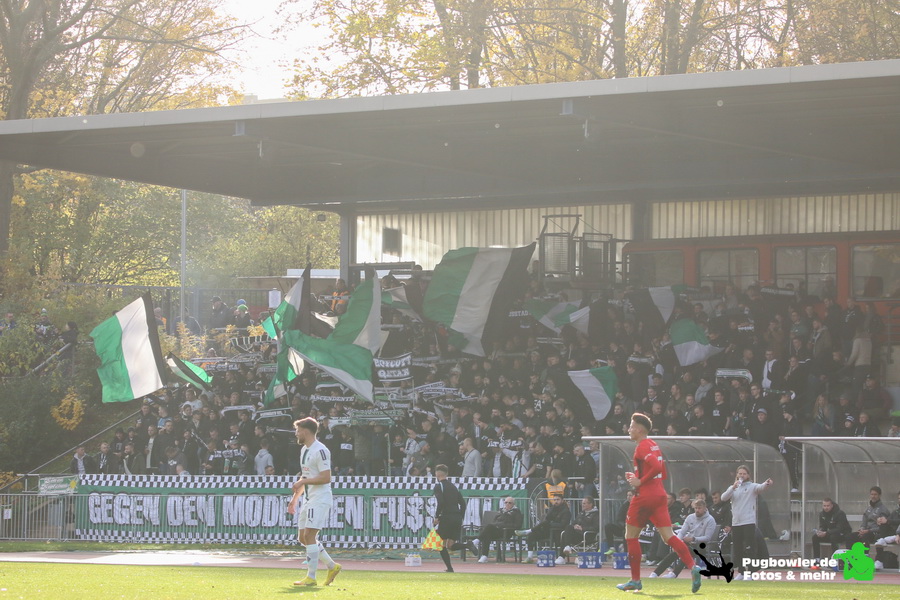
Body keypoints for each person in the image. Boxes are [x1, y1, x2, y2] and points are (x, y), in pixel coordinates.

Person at [616, 413, 702, 593]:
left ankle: (635, 580)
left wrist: (640, 482)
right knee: (669, 536)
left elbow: (655, 467)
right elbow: (660, 470)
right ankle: (693, 566)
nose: (629, 429)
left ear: (639, 429)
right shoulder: (653, 444)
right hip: (660, 495)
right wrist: (637, 476)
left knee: (631, 537)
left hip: (644, 497)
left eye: (631, 426)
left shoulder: (642, 446)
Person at [288, 417, 341, 587]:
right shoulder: (304, 450)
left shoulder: (321, 450)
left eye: (298, 430)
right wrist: (295, 499)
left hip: (320, 498)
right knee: (303, 538)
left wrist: (303, 482)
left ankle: (311, 577)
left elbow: (326, 477)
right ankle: (332, 566)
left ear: (305, 431)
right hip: (309, 499)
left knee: (310, 535)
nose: (296, 434)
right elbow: (306, 476)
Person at [720, 465, 774, 580]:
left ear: (748, 475)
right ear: (737, 474)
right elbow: (723, 498)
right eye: (740, 473)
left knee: (750, 548)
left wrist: (767, 483)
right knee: (738, 548)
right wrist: (733, 487)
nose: (742, 476)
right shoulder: (733, 488)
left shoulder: (751, 486)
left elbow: (760, 487)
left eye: (744, 474)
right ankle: (741, 571)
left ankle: (751, 571)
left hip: (748, 522)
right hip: (736, 522)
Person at [651, 498, 717, 578]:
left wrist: (693, 539)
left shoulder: (710, 520)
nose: (697, 510)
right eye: (696, 508)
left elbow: (707, 537)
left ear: (705, 508)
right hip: (688, 543)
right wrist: (677, 543)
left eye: (699, 508)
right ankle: (655, 573)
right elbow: (682, 532)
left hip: (702, 545)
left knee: (685, 551)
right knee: (675, 552)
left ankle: (674, 574)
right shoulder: (690, 517)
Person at [432, 463, 469, 573]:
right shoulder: (453, 487)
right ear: (447, 473)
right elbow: (463, 504)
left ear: (436, 474)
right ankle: (468, 545)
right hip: (456, 517)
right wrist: (460, 516)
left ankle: (450, 568)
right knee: (450, 545)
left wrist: (437, 517)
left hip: (446, 517)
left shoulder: (439, 486)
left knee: (441, 544)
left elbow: (441, 503)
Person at [515, 495, 572, 563]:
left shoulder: (566, 511)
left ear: (562, 500)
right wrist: (551, 511)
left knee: (546, 523)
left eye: (558, 499)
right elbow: (547, 519)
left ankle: (528, 531)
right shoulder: (552, 509)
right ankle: (530, 557)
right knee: (532, 535)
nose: (556, 501)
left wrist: (551, 524)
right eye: (554, 500)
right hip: (548, 531)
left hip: (558, 533)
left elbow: (563, 525)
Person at [475, 497, 523, 563]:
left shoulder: (516, 512)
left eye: (509, 503)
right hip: (497, 530)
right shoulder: (501, 511)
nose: (507, 504)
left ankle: (476, 541)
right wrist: (497, 525)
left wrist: (503, 525)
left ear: (513, 504)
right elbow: (494, 521)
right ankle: (484, 556)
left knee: (488, 528)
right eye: (506, 502)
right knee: (487, 533)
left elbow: (518, 525)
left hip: (507, 531)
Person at [557, 496, 600, 564]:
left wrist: (582, 528)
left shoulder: (596, 515)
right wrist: (575, 526)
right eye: (582, 503)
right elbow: (574, 523)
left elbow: (596, 527)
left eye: (584, 503)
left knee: (566, 534)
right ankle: (562, 556)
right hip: (577, 534)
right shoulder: (581, 513)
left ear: (590, 504)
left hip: (587, 535)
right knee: (567, 530)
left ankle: (564, 552)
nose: (582, 505)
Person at [811, 498, 851, 565]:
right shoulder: (822, 514)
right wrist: (821, 532)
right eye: (824, 506)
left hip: (843, 534)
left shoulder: (840, 513)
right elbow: (823, 526)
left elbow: (840, 528)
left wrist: (826, 533)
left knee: (833, 537)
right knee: (815, 537)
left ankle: (835, 559)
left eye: (828, 506)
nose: (826, 508)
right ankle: (817, 559)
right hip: (830, 533)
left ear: (832, 505)